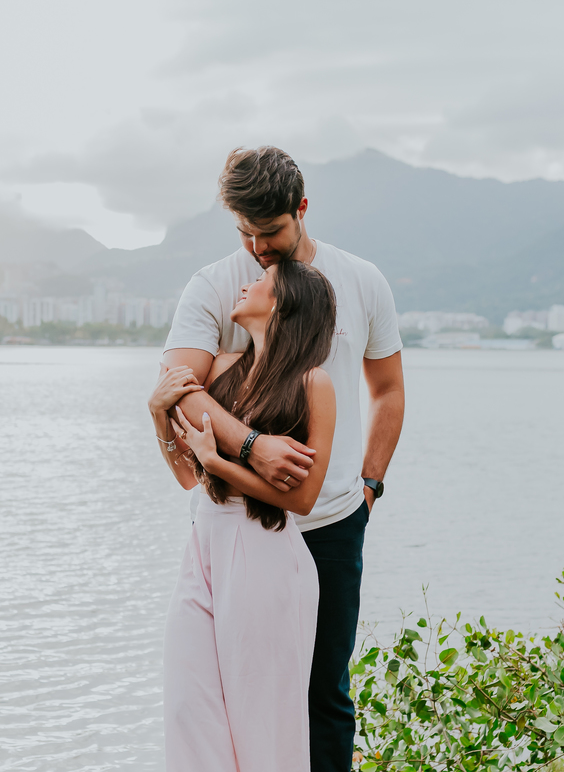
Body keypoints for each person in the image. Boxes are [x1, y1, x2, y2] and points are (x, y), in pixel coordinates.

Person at [161, 146, 405, 772]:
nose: (257, 248)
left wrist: (369, 487)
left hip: (331, 524)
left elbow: (387, 391)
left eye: (269, 232)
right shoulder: (215, 286)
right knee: (220, 694)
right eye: (244, 232)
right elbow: (179, 389)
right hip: (238, 529)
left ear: (301, 208)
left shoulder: (362, 281)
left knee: (325, 697)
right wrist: (252, 447)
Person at [150, 259, 338, 772]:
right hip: (204, 546)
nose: (247, 283)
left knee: (262, 722)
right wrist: (158, 415)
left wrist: (218, 463)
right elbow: (187, 476)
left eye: (261, 281)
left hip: (265, 551)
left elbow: (303, 499)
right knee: (189, 708)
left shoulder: (313, 384)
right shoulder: (220, 369)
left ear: (282, 304)